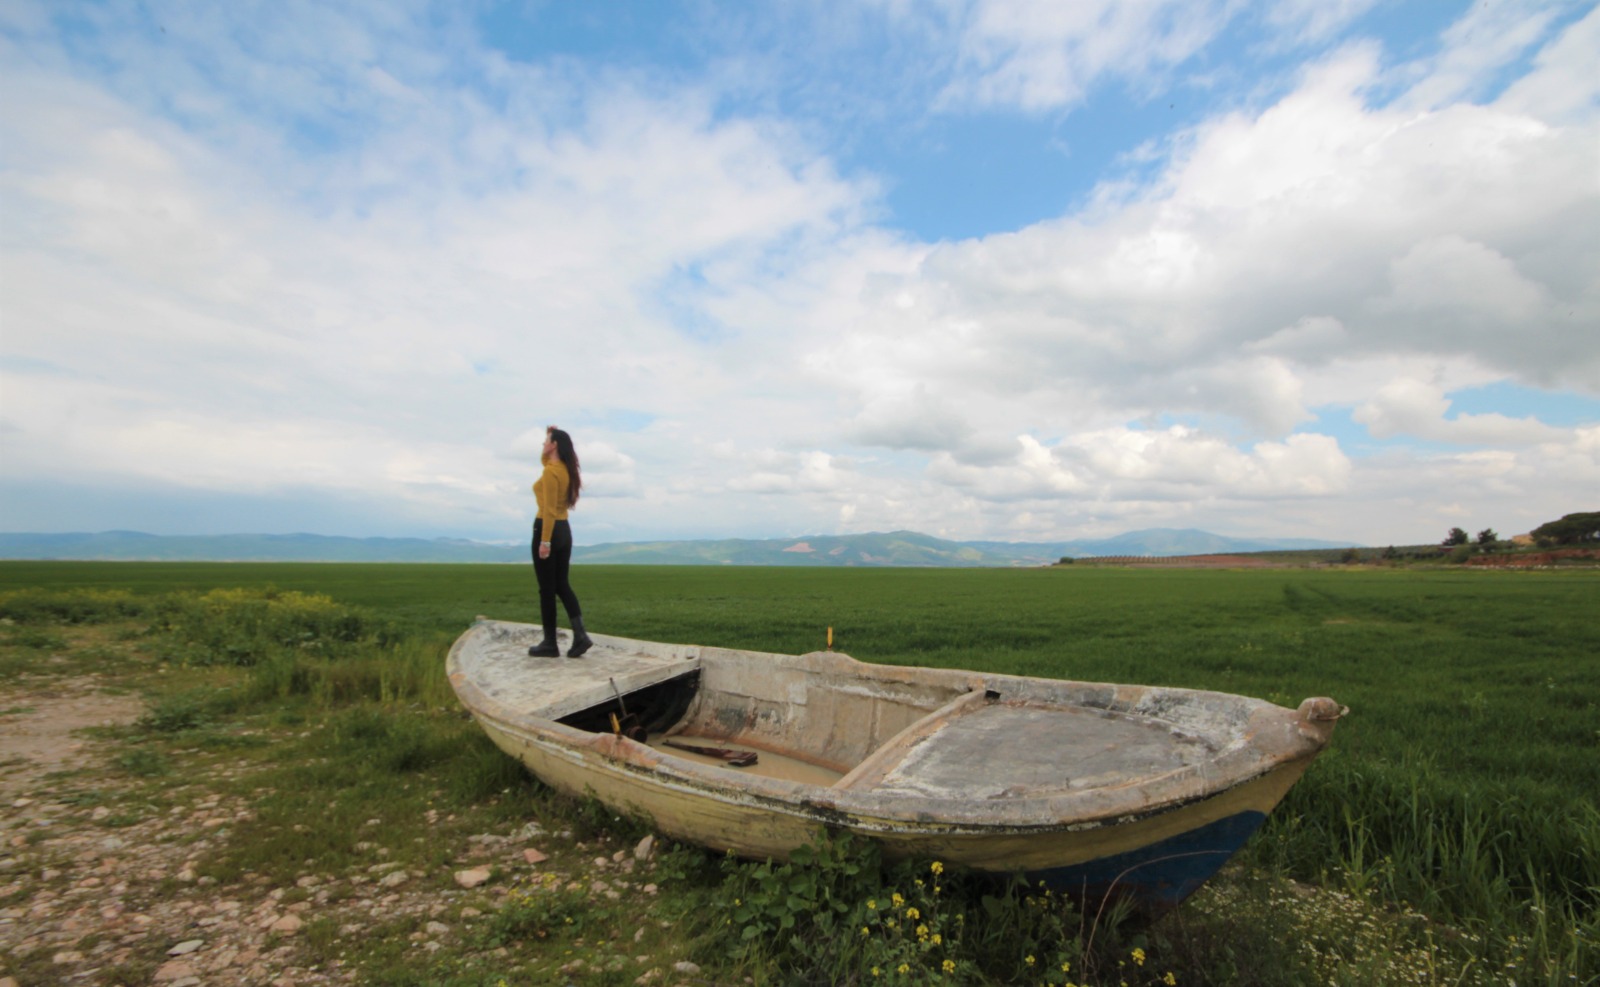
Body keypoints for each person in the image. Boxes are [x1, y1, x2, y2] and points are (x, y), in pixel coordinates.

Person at [528, 425, 592, 658]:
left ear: (554, 445)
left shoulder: (550, 472)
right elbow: (544, 460)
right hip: (565, 530)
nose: (543, 445)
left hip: (549, 529)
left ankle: (550, 643)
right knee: (562, 584)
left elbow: (548, 511)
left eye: (546, 441)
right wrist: (552, 433)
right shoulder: (563, 469)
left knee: (547, 589)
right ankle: (581, 635)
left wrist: (544, 541)